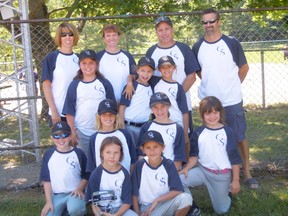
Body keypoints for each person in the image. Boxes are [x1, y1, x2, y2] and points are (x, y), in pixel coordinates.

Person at [192, 8, 258, 189]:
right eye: (205, 22)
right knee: (214, 139)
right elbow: (198, 71)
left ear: (219, 22)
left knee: (238, 136)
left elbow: (243, 67)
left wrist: (233, 85)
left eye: (211, 21)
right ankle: (220, 172)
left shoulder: (231, 43)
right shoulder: (198, 47)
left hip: (231, 100)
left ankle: (247, 173)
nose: (208, 25)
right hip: (210, 103)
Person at [179, 96, 242, 214]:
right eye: (208, 114)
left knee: (221, 210)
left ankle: (226, 195)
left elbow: (235, 159)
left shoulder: (228, 132)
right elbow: (194, 157)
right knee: (178, 181)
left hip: (221, 176)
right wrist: (186, 168)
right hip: (203, 171)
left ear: (220, 112)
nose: (212, 117)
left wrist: (236, 180)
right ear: (202, 115)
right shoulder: (198, 132)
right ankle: (190, 206)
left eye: (215, 112)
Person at [146, 16, 200, 134]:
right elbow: (147, 77)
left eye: (167, 29)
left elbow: (191, 76)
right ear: (156, 32)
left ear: (172, 29)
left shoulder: (183, 48)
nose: (164, 33)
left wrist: (176, 96)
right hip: (159, 108)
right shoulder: (151, 51)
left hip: (181, 104)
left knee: (185, 137)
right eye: (160, 30)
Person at [62, 49, 116, 157]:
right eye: (84, 63)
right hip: (82, 132)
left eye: (91, 63)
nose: (88, 66)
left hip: (102, 130)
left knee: (103, 159)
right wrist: (72, 131)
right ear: (80, 65)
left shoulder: (104, 83)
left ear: (96, 64)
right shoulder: (74, 85)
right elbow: (69, 111)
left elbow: (113, 109)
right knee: (85, 162)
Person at [132, 130, 192, 216]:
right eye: (148, 147)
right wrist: (138, 214)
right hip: (147, 208)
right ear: (143, 150)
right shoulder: (140, 165)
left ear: (163, 147)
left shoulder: (168, 164)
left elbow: (178, 190)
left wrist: (158, 200)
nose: (152, 151)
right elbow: (134, 193)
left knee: (186, 198)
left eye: (155, 146)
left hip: (164, 203)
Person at [40, 121, 89, 216]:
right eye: (56, 136)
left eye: (64, 135)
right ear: (52, 138)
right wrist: (48, 201)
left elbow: (87, 175)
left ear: (70, 136)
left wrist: (79, 189)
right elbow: (46, 180)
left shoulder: (78, 153)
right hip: (57, 195)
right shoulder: (48, 154)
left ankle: (73, 207)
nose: (61, 139)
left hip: (74, 193)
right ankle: (65, 211)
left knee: (75, 209)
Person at [85, 136, 138, 216]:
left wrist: (116, 215)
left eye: (116, 153)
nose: (112, 156)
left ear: (120, 155)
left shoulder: (124, 174)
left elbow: (127, 202)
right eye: (108, 152)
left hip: (120, 210)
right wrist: (100, 214)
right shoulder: (96, 174)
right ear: (102, 153)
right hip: (101, 210)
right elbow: (93, 202)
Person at [42, 22, 80, 126]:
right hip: (59, 111)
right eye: (63, 34)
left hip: (78, 111)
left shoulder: (80, 59)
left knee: (78, 141)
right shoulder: (51, 58)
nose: (67, 37)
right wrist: (54, 110)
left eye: (70, 34)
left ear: (74, 36)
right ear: (59, 37)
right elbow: (46, 86)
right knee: (62, 141)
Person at [138, 92, 186, 171]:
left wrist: (171, 173)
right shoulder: (146, 127)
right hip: (149, 170)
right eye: (155, 107)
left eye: (163, 106)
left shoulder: (177, 128)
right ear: (151, 109)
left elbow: (179, 157)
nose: (159, 110)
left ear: (169, 106)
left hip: (170, 170)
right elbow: (141, 154)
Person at [86, 99, 137, 174]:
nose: (108, 118)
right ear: (99, 116)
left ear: (116, 116)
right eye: (104, 115)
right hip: (103, 183)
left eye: (111, 114)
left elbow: (133, 159)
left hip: (125, 181)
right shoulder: (94, 138)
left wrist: (130, 178)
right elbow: (92, 166)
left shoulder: (124, 134)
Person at [118, 56, 155, 146]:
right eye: (142, 70)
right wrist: (122, 127)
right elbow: (122, 107)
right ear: (137, 70)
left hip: (143, 127)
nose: (145, 74)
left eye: (149, 71)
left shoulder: (150, 87)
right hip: (129, 127)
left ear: (153, 72)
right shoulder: (131, 87)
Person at [96, 24, 136, 103]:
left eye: (114, 35)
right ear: (103, 38)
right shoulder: (98, 57)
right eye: (108, 35)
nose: (111, 38)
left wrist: (130, 82)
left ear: (118, 37)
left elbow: (135, 74)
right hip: (104, 100)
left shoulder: (127, 56)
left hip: (124, 99)